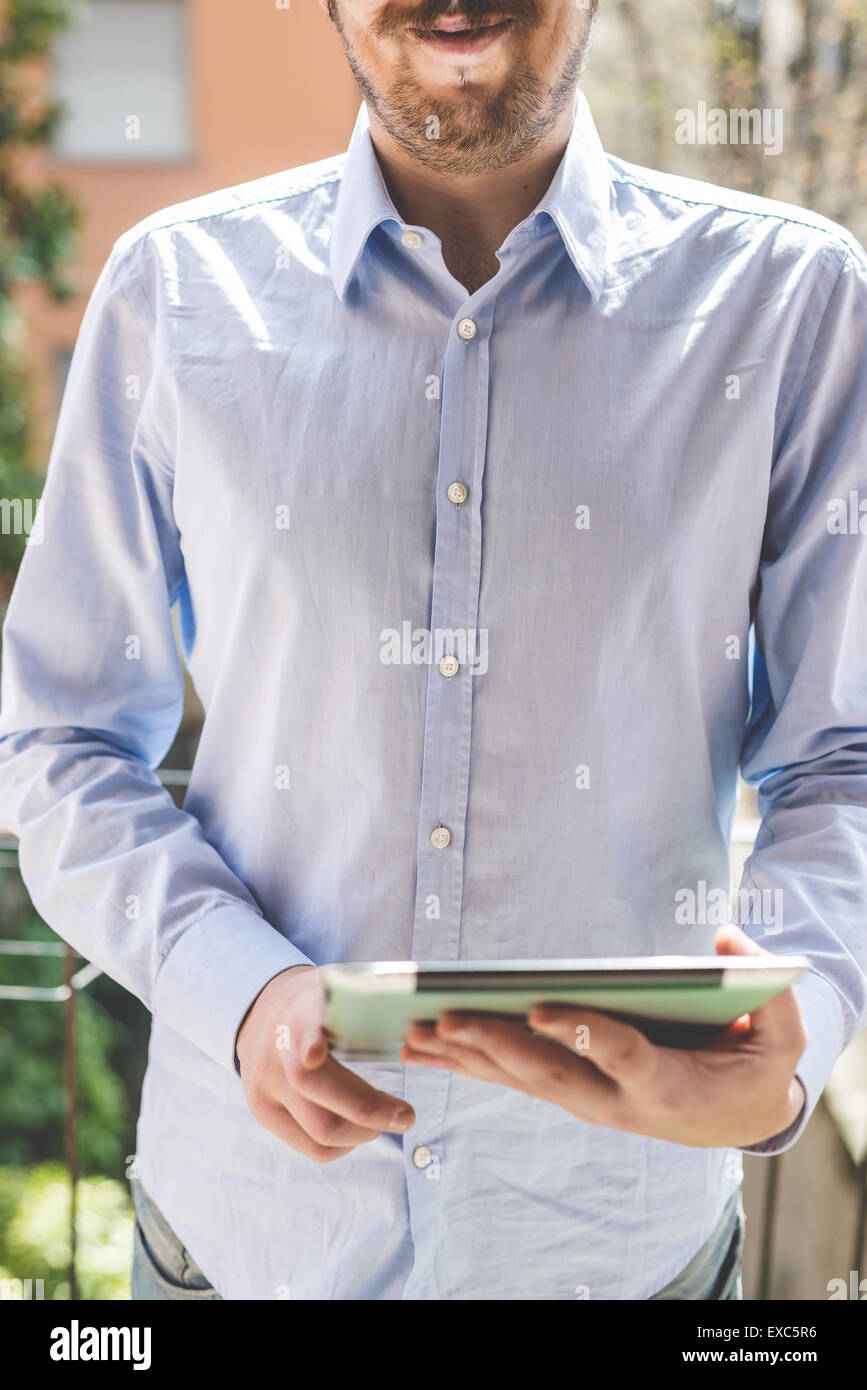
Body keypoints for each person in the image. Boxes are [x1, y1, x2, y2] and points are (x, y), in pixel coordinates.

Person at [0, 0, 864, 1301]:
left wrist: (794, 1045)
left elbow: (844, 757)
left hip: (624, 1258)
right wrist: (241, 989)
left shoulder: (797, 305)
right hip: (243, 1247)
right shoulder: (171, 294)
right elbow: (57, 741)